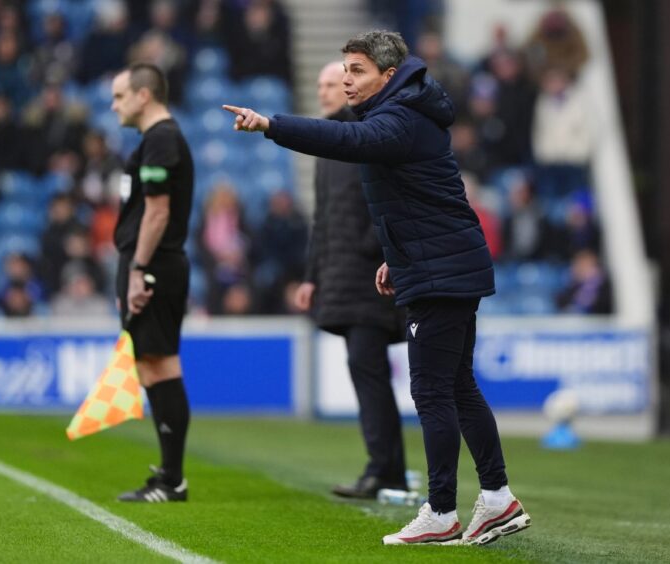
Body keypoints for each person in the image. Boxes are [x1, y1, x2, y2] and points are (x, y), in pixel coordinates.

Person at [223, 30, 530, 546]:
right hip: (441, 263)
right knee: (457, 386)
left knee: (433, 390)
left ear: (388, 77)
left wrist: (271, 124)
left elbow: (348, 142)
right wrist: (394, 254)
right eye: (345, 68)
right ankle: (497, 499)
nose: (347, 78)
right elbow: (413, 199)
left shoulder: (397, 119)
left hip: (441, 270)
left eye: (357, 70)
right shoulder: (404, 112)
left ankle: (441, 512)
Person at [293, 61, 408, 499]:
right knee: (367, 373)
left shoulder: (370, 136)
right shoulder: (328, 145)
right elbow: (322, 219)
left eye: (330, 83)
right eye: (319, 84)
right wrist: (311, 276)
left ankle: (386, 470)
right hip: (341, 278)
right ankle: (388, 469)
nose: (323, 91)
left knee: (370, 373)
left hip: (368, 280)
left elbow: (388, 201)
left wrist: (374, 249)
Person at [111, 63, 194, 503]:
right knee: (151, 365)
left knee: (159, 364)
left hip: (154, 264)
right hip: (151, 262)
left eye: (120, 96)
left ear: (144, 95)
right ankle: (169, 475)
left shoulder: (161, 139)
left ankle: (171, 480)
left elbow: (157, 212)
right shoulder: (155, 140)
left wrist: (139, 269)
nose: (113, 105)